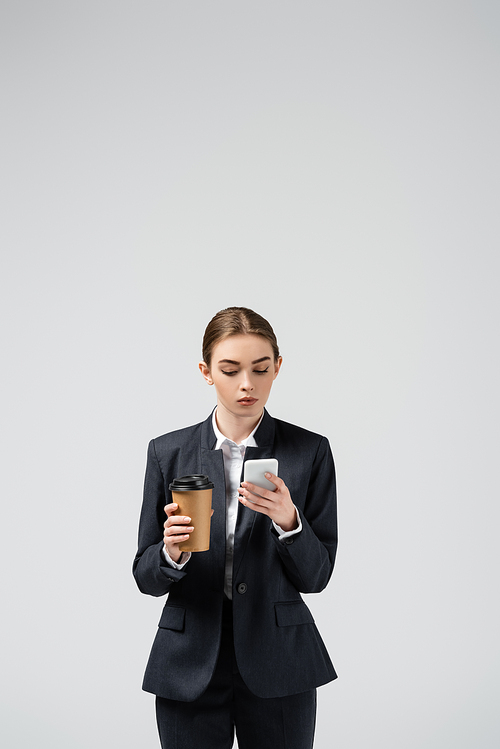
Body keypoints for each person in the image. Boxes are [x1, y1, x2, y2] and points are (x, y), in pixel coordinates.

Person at [133, 306, 338, 749]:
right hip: (189, 661)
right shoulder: (167, 453)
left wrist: (290, 523)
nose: (247, 384)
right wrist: (171, 552)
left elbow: (317, 577)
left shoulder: (310, 452)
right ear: (207, 372)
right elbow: (145, 577)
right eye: (230, 370)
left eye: (261, 369)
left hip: (280, 659)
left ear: (277, 368)